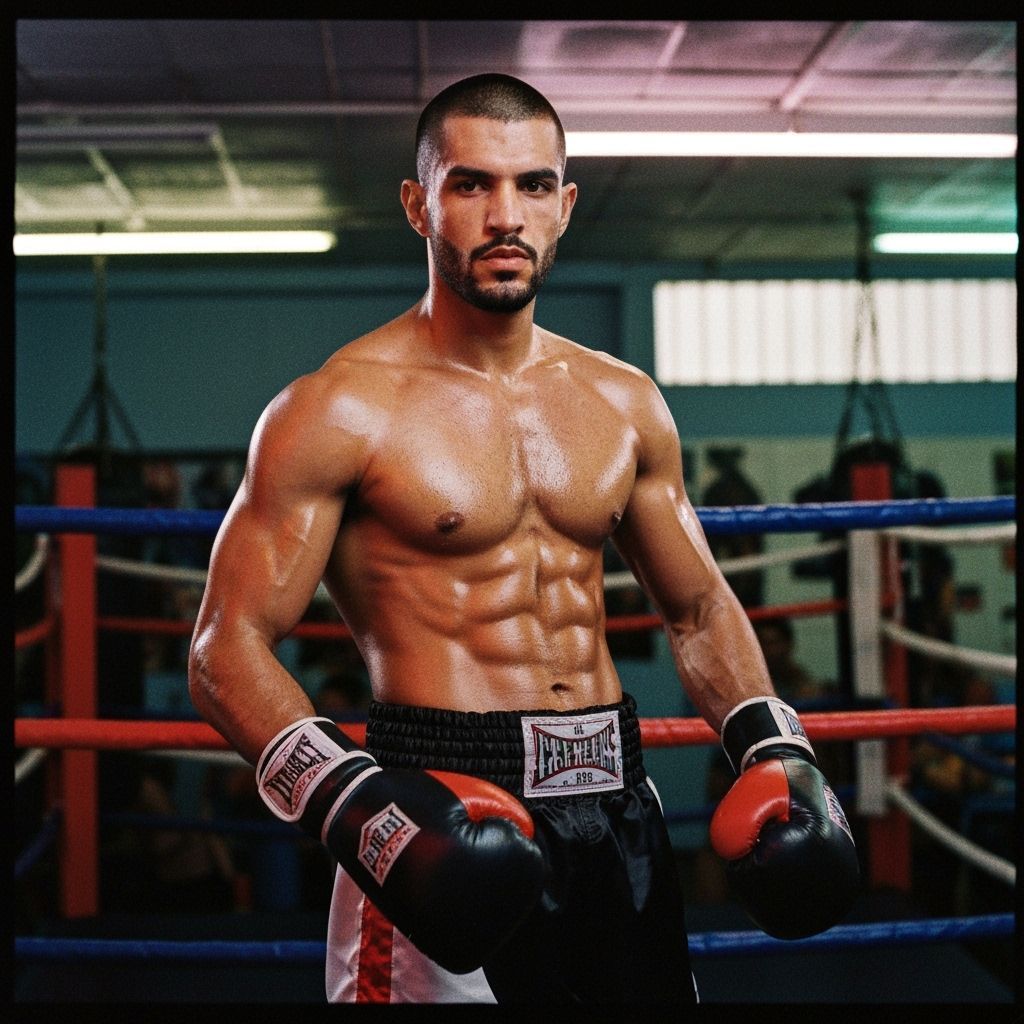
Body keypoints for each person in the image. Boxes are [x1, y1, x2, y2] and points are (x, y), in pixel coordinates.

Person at [189, 73, 858, 1005]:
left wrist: (773, 746)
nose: (506, 215)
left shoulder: (622, 402)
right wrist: (357, 807)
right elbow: (225, 647)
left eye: (533, 185)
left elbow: (700, 607)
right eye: (472, 185)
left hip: (615, 806)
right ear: (420, 205)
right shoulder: (339, 408)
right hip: (443, 806)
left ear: (566, 205)